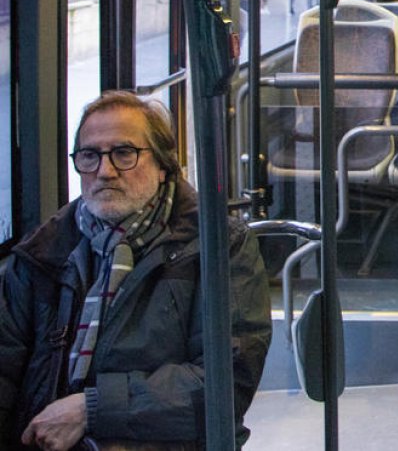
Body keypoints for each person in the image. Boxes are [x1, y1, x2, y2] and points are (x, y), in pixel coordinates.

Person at [0, 92, 272, 450]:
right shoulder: (43, 251)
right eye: (89, 156)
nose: (105, 171)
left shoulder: (217, 245)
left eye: (124, 154)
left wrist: (91, 410)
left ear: (163, 166)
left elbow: (226, 383)